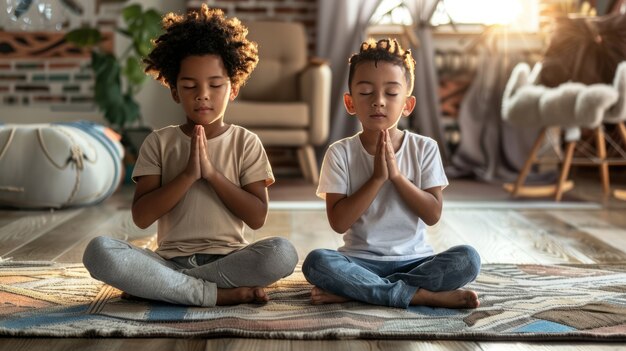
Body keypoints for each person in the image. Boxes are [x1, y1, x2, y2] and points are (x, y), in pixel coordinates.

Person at [82, 5, 298, 307]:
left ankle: (170, 290)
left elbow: (257, 216)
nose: (203, 94)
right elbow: (142, 217)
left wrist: (211, 174)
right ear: (174, 91)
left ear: (233, 88)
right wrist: (186, 176)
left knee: (282, 253)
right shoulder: (159, 142)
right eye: (189, 86)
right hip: (170, 262)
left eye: (215, 84)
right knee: (99, 251)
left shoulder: (246, 142)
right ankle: (210, 294)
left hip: (229, 261)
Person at [302, 38, 481, 309]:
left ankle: (358, 291)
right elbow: (339, 222)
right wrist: (376, 179)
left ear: (407, 105)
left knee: (468, 259)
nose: (378, 102)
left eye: (391, 93)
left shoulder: (425, 148)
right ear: (350, 102)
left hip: (415, 261)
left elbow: (432, 215)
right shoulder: (340, 153)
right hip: (359, 261)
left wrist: (396, 177)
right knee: (316, 262)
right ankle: (420, 296)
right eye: (365, 92)